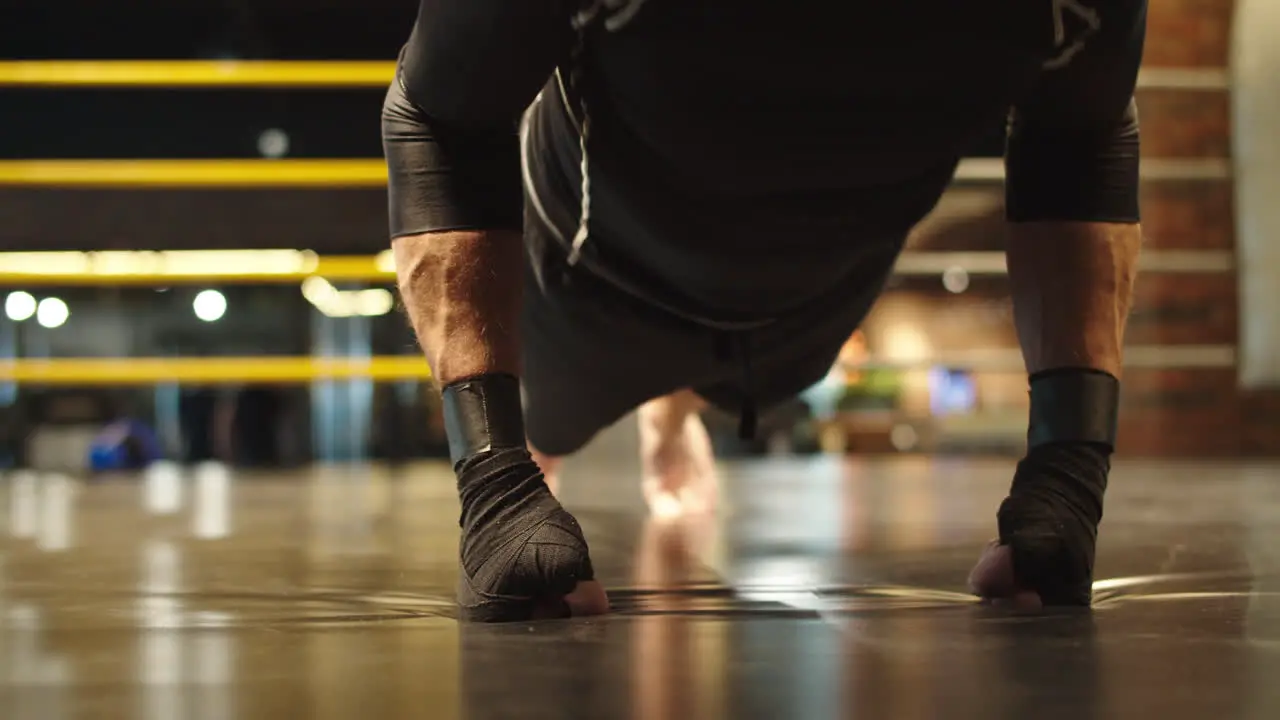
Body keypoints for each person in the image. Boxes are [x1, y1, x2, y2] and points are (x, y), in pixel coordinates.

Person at [383, 0, 1146, 621]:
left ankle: (674, 413)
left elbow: (1079, 141)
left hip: (812, 296)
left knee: (755, 380)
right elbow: (438, 117)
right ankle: (640, 415)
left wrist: (1066, 474)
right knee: (549, 428)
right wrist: (497, 484)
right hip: (599, 284)